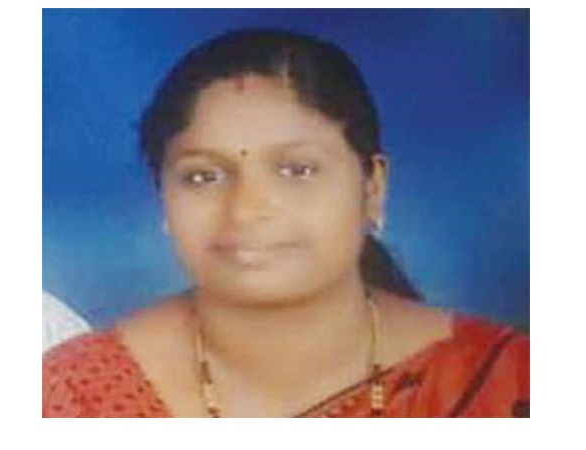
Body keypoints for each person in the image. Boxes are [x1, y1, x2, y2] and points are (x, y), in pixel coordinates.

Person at [42, 28, 529, 418]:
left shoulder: (505, 382)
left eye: (297, 170)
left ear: (373, 186)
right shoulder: (74, 392)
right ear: (164, 201)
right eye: (203, 176)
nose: (248, 209)